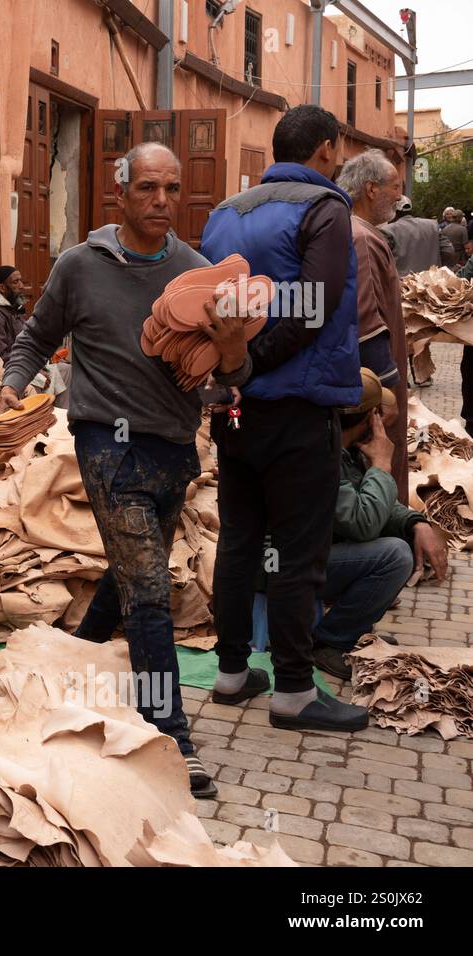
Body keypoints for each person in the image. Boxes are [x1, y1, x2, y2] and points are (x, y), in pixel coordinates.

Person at [0, 141, 249, 799]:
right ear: (122, 194)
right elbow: (34, 335)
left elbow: (234, 376)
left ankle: (74, 660)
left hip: (173, 448)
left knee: (127, 572)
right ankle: (175, 739)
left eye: (172, 188)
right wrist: (13, 383)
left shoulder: (200, 275)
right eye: (148, 189)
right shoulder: (80, 266)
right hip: (105, 444)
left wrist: (230, 348)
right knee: (148, 593)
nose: (162, 200)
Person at [199, 104, 368, 732]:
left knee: (240, 540)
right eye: (340, 152)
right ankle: (295, 688)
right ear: (326, 149)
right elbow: (314, 306)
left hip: (236, 413)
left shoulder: (224, 213)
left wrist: (234, 371)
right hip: (295, 408)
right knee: (299, 553)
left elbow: (207, 301)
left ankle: (232, 672)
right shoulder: (325, 209)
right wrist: (249, 364)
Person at [313, 370, 447, 678]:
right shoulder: (323, 452)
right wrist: (383, 465)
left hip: (304, 556)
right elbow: (364, 523)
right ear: (371, 418)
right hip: (278, 566)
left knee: (401, 539)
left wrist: (416, 523)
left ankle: (350, 628)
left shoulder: (342, 446)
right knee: (394, 556)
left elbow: (375, 505)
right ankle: (330, 642)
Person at [338, 150, 408, 502]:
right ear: (370, 189)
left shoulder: (356, 231)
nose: (400, 196)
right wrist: (385, 390)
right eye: (395, 187)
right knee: (377, 474)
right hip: (371, 391)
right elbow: (366, 318)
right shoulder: (362, 238)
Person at [379, 195, 449, 275]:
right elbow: (448, 250)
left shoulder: (388, 230)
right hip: (432, 281)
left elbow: (380, 260)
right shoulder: (432, 225)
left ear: (394, 211)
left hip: (404, 284)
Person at [0, 265, 28, 365]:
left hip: (27, 362)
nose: (21, 286)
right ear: (2, 287)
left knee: (66, 368)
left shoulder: (15, 308)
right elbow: (2, 355)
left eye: (20, 281)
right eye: (16, 282)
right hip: (14, 369)